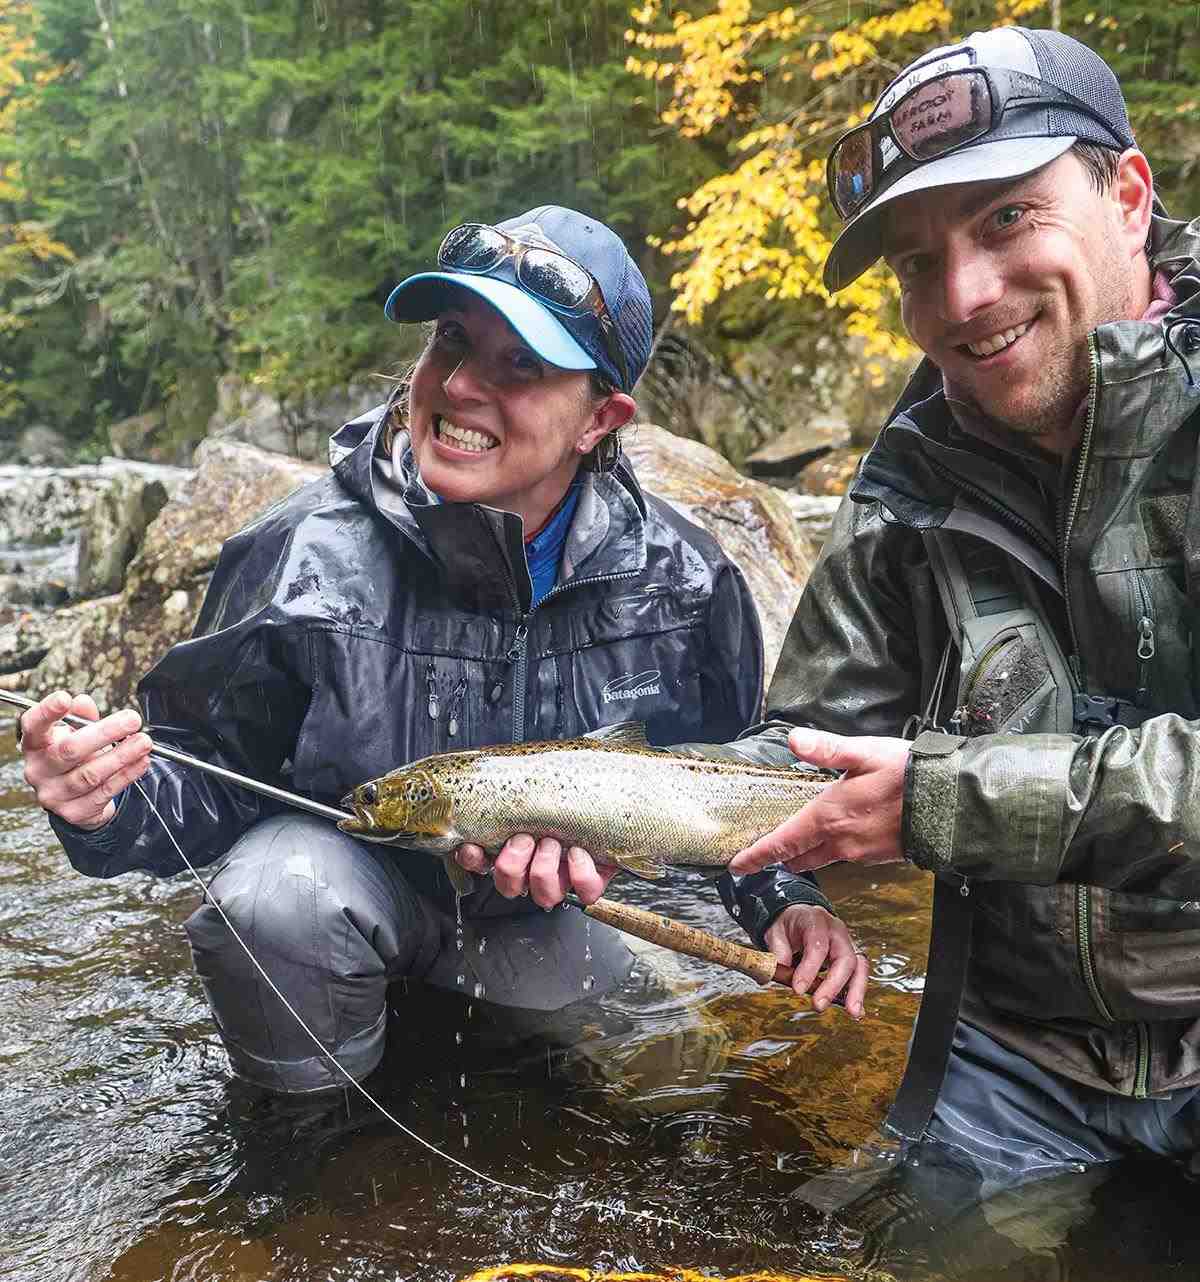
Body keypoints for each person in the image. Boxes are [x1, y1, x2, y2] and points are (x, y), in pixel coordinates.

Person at [17, 205, 864, 1099]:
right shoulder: (296, 552)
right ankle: (310, 1159)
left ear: (600, 419)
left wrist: (788, 899)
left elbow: (727, 790)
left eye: (521, 365)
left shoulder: (683, 579)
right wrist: (101, 803)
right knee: (271, 897)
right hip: (347, 913)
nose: (459, 385)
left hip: (558, 922)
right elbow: (206, 783)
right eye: (452, 340)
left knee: (683, 1098)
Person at [710, 22, 1200, 1237]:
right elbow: (792, 757)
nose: (965, 298)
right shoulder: (905, 483)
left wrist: (944, 800)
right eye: (920, 264)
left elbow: (935, 796)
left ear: (1128, 198)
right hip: (1014, 1063)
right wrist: (565, 818)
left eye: (1006, 220)